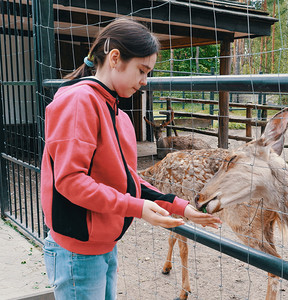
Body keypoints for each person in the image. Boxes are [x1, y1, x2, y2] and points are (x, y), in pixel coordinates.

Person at [41, 18, 221, 300]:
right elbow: (70, 181)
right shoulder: (80, 101)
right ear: (115, 58)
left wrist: (181, 207)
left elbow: (127, 180)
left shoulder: (118, 115)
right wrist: (136, 208)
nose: (144, 81)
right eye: (141, 70)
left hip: (102, 244)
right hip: (76, 249)